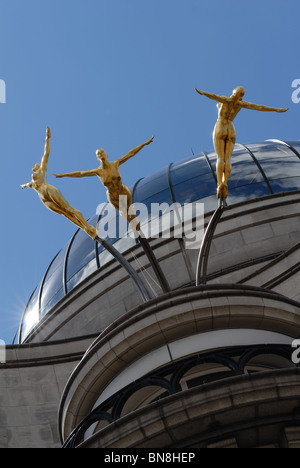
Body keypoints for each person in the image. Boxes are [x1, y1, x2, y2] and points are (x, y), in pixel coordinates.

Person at [195, 86, 288, 200]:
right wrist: (276, 110)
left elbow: (214, 96)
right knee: (228, 159)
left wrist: (203, 93)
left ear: (234, 93)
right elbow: (259, 107)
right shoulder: (241, 104)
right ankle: (225, 181)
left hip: (221, 126)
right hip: (231, 128)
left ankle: (220, 184)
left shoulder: (226, 100)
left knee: (220, 157)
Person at [53, 136, 154, 230]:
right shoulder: (98, 172)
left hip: (122, 191)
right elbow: (80, 173)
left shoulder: (115, 164)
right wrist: (63, 175)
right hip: (112, 195)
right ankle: (133, 225)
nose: (101, 154)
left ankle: (135, 221)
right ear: (98, 158)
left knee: (131, 211)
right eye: (98, 154)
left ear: (107, 154)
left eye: (102, 152)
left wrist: (144, 144)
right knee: (125, 213)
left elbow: (131, 153)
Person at [21, 127, 98, 239]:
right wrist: (23, 185)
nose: (34, 165)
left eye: (36, 164)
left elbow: (46, 154)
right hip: (43, 198)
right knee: (64, 213)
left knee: (68, 209)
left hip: (47, 189)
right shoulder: (31, 182)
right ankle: (85, 229)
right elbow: (28, 185)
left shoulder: (42, 170)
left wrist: (47, 138)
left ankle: (87, 225)